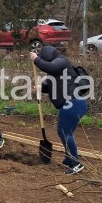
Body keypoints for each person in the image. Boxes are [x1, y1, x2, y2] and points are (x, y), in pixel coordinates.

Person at [30, 45, 88, 174]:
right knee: (64, 132)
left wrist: (36, 59)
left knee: (64, 132)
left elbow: (50, 67)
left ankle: (76, 163)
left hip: (73, 102)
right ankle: (69, 158)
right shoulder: (57, 70)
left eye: (45, 59)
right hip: (72, 103)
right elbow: (55, 85)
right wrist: (41, 87)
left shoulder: (61, 61)